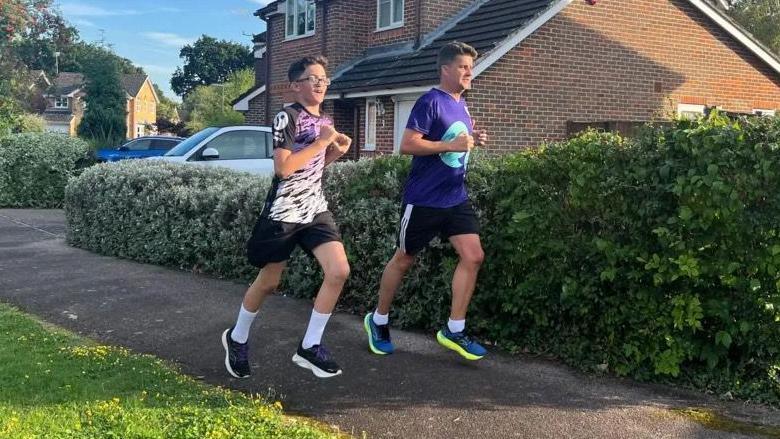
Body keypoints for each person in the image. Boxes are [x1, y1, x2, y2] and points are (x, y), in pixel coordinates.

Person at [222, 55, 352, 379]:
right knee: (270, 281)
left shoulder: (325, 119)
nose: (321, 84)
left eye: (324, 79)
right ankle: (237, 338)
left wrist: (335, 151)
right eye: (313, 79)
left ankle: (310, 346)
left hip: (315, 209)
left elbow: (313, 168)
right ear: (296, 85)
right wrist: (322, 142)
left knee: (338, 271)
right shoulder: (287, 117)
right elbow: (283, 169)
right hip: (284, 212)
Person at [364, 41, 489, 361]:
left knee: (473, 256)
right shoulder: (430, 101)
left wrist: (474, 139)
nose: (468, 72)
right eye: (463, 66)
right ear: (445, 69)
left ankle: (454, 329)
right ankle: (378, 320)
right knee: (404, 259)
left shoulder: (461, 105)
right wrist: (451, 146)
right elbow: (407, 145)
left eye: (470, 67)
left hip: (455, 198)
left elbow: (455, 139)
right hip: (424, 200)